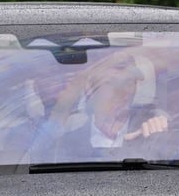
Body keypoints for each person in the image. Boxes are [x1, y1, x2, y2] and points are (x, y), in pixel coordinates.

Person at [28, 53, 169, 161]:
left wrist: (161, 129)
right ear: (90, 88)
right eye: (111, 83)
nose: (123, 92)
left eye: (129, 82)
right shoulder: (66, 144)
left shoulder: (153, 130)